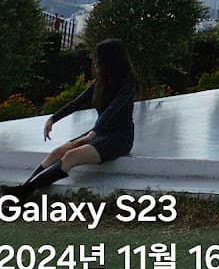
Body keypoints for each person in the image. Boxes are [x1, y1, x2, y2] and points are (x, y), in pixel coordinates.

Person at [12, 38, 137, 200]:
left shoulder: (128, 83)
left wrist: (93, 133)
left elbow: (112, 111)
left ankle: (22, 194)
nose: (95, 62)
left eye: (99, 59)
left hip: (119, 138)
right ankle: (23, 189)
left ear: (110, 61)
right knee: (57, 152)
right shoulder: (100, 82)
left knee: (71, 156)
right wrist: (53, 119)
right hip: (100, 132)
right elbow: (77, 102)